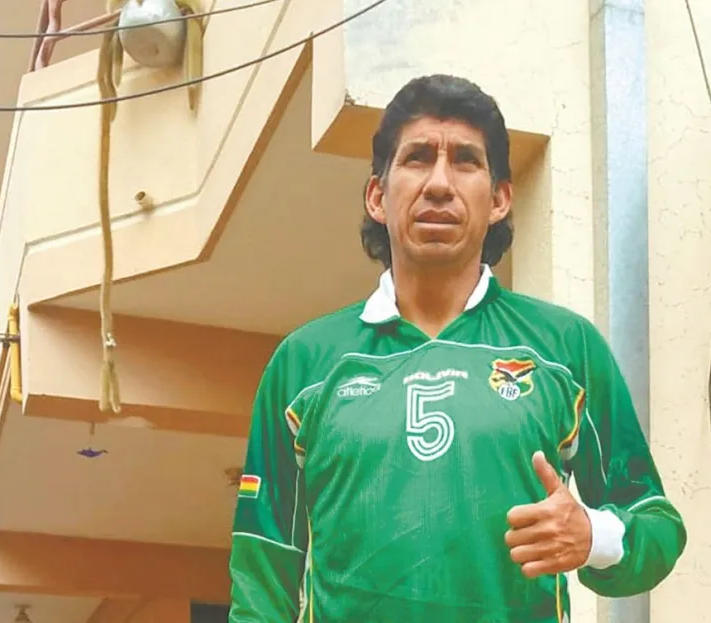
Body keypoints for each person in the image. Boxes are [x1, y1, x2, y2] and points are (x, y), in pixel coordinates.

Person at [228, 74, 686, 623]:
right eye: (418, 158)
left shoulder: (565, 349)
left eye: (465, 161)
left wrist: (594, 536)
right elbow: (262, 569)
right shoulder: (304, 363)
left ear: (498, 199)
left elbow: (656, 522)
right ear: (378, 194)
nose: (439, 184)